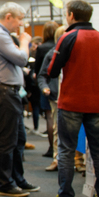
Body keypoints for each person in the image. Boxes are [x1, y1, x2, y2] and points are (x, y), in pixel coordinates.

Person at [46, 0, 99, 197]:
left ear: (71, 15)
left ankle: (65, 195)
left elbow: (52, 71)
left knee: (66, 149)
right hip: (97, 101)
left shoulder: (68, 37)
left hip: (71, 101)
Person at [0, 2, 39, 197]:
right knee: (6, 139)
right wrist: (24, 41)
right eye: (19, 19)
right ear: (9, 17)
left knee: (18, 137)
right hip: (2, 92)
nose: (20, 24)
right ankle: (5, 184)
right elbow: (21, 58)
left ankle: (17, 179)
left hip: (7, 91)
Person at [38, 25, 66, 172]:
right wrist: (45, 88)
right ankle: (57, 159)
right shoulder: (51, 53)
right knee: (57, 129)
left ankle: (78, 160)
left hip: (72, 96)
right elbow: (43, 75)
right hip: (56, 97)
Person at [33, 21, 59, 158]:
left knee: (50, 117)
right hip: (58, 86)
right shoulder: (60, 47)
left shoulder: (42, 48)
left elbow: (38, 71)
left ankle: (52, 149)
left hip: (47, 87)